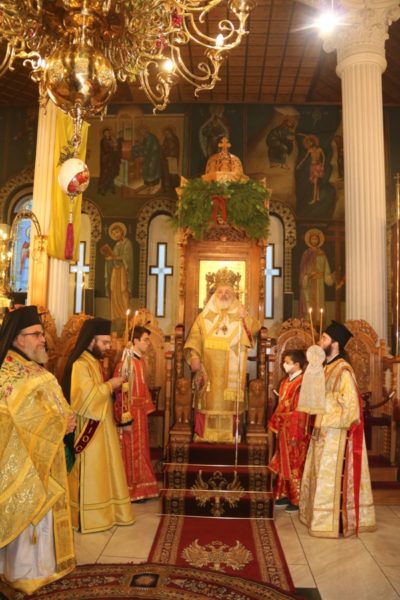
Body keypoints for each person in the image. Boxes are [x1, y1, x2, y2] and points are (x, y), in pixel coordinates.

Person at [0, 306, 76, 594]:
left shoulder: (33, 368)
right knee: (26, 514)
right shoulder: (9, 371)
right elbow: (27, 418)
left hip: (43, 454)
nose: (43, 339)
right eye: (37, 334)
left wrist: (66, 419)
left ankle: (42, 567)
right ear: (18, 338)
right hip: (21, 459)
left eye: (42, 334)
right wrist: (60, 424)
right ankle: (23, 572)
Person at [299, 320, 376, 538]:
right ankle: (318, 518)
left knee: (329, 479)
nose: (320, 341)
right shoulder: (325, 367)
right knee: (318, 475)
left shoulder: (343, 370)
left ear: (335, 344)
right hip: (322, 432)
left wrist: (324, 400)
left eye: (324, 338)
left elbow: (351, 407)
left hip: (336, 436)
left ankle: (336, 522)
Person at [61, 317, 135, 533]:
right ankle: (91, 518)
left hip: (103, 428)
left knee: (106, 469)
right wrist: (110, 385)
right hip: (88, 429)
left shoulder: (93, 362)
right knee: (93, 473)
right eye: (104, 342)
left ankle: (109, 513)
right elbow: (85, 400)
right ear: (91, 340)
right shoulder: (80, 364)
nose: (108, 347)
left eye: (108, 342)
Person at [184, 267, 260, 443]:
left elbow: (254, 331)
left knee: (229, 403)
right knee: (207, 400)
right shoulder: (203, 317)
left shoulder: (240, 314)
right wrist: (194, 357)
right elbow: (194, 338)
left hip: (230, 373)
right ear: (214, 294)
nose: (224, 295)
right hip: (208, 369)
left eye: (228, 292)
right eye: (220, 291)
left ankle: (230, 437)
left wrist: (245, 318)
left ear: (234, 295)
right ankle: (203, 436)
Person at [113, 326, 159, 502]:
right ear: (135, 341)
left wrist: (146, 408)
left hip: (139, 414)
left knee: (141, 452)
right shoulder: (126, 363)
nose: (148, 343)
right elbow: (121, 392)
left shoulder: (140, 362)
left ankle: (143, 488)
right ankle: (131, 490)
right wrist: (125, 419)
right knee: (130, 452)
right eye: (145, 340)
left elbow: (143, 388)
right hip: (130, 415)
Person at [268, 349, 310, 513]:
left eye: (287, 362)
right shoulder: (285, 382)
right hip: (283, 430)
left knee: (295, 464)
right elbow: (281, 405)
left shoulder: (303, 383)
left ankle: (297, 499)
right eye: (284, 362)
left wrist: (294, 433)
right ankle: (284, 494)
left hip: (295, 431)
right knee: (283, 463)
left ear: (297, 364)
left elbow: (301, 412)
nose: (284, 365)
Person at [298, 228, 343, 320]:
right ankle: (308, 322)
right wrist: (307, 276)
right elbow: (302, 269)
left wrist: (332, 277)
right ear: (309, 240)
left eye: (316, 239)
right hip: (309, 282)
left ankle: (319, 323)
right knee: (308, 304)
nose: (314, 241)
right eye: (313, 239)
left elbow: (326, 271)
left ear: (319, 240)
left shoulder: (322, 253)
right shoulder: (306, 254)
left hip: (319, 282)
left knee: (319, 305)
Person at [102, 221, 134, 322]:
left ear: (122, 231)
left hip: (123, 270)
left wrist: (114, 258)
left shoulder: (127, 243)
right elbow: (114, 257)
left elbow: (127, 258)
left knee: (123, 289)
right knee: (114, 290)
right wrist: (109, 259)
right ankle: (115, 315)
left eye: (117, 232)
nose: (116, 235)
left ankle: (125, 314)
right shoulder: (116, 244)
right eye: (114, 233)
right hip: (115, 270)